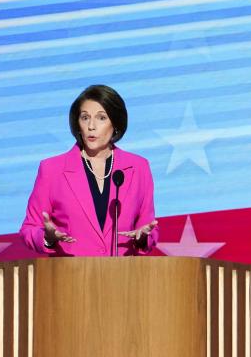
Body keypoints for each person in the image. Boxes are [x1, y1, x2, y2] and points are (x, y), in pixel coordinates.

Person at [20, 85, 158, 256]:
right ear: (77, 124)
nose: (91, 126)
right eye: (85, 118)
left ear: (115, 123)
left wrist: (144, 238)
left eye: (101, 118)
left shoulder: (138, 168)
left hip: (123, 277)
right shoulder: (52, 170)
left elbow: (148, 225)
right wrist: (48, 237)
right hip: (72, 276)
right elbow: (30, 228)